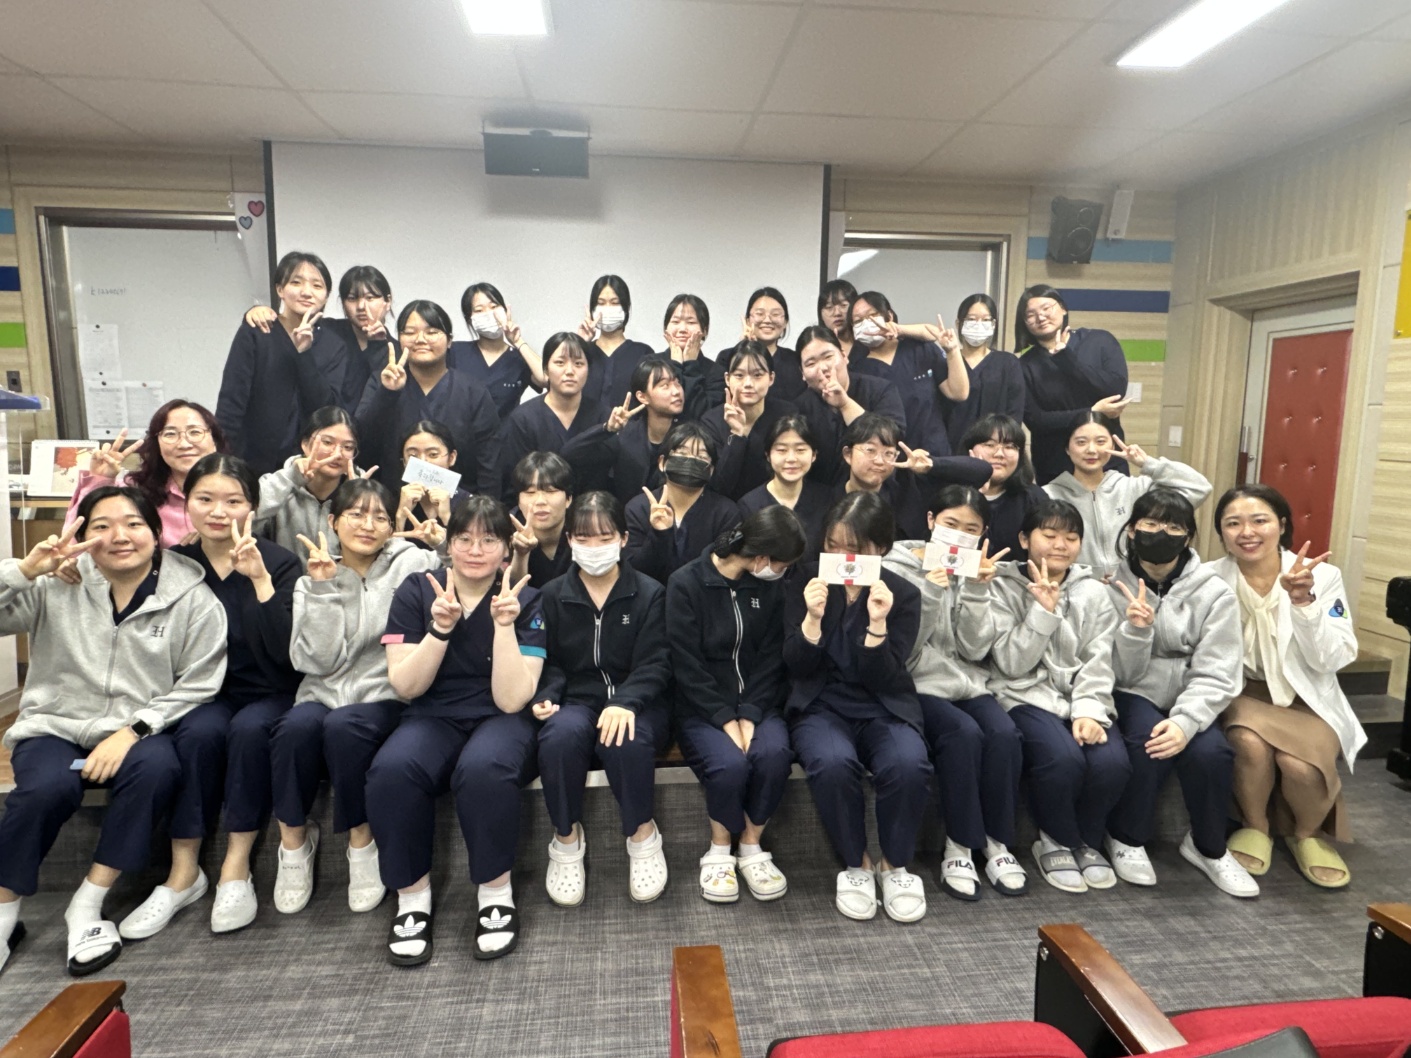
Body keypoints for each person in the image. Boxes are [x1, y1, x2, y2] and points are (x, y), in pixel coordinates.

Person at [0, 487, 226, 976]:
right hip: (55, 723)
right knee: (45, 789)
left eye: (133, 524)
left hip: (139, 727)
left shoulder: (192, 598)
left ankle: (87, 904)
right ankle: (3, 913)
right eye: (101, 526)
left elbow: (200, 683)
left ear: (155, 532)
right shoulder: (56, 582)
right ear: (83, 535)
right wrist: (24, 571)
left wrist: (133, 730)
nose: (119, 536)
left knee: (158, 767)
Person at [116, 456, 302, 940]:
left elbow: (287, 654)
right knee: (198, 734)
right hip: (200, 692)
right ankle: (183, 872)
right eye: (205, 499)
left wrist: (259, 580)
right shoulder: (171, 564)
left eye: (233, 501)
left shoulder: (280, 561)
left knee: (248, 731)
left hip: (269, 689)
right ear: (187, 503)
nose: (219, 511)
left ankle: (236, 866)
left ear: (253, 507)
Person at [251, 479, 446, 934]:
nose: (368, 525)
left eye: (380, 516)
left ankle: (362, 838)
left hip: (385, 695)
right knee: (293, 728)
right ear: (333, 521)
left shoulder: (412, 563)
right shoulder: (311, 577)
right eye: (356, 514)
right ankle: (294, 841)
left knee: (344, 727)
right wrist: (323, 591)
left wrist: (441, 539)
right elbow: (313, 661)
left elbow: (465, 572)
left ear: (391, 526)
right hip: (322, 691)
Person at [367, 496, 544, 965]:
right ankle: (412, 899)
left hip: (500, 717)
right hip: (433, 714)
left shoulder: (525, 597)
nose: (475, 550)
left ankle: (495, 894)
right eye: (464, 538)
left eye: (489, 540)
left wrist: (503, 626)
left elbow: (511, 700)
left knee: (484, 769)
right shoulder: (416, 591)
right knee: (392, 770)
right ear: (447, 544)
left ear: (507, 549)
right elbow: (406, 685)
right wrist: (440, 630)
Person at [784, 492, 932, 923]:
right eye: (832, 545)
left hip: (882, 704)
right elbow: (795, 665)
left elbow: (885, 676)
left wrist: (878, 624)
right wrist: (812, 620)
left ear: (880, 547)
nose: (841, 556)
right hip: (821, 704)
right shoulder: (805, 581)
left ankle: (895, 865)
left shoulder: (902, 593)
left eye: (855, 548)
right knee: (832, 763)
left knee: (908, 763)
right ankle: (857, 863)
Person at [1103, 489, 1258, 897]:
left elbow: (1219, 669)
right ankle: (1126, 836)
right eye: (1151, 523)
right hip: (1132, 687)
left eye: (1174, 527)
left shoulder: (1214, 591)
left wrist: (1186, 721)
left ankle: (1208, 847)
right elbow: (1117, 671)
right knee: (1148, 742)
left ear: (1188, 537)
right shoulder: (1108, 583)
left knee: (1213, 753)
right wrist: (1136, 631)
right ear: (1132, 529)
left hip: (1192, 692)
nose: (1161, 533)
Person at [1211, 484, 1365, 890]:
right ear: (1221, 532)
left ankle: (1308, 834)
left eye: (1259, 520)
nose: (1247, 532)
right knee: (1247, 742)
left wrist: (1304, 603)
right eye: (1233, 523)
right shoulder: (1209, 578)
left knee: (1299, 766)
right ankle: (1255, 826)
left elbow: (1333, 659)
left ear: (1281, 524)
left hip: (1306, 696)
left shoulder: (1322, 576)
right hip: (1244, 692)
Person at [881, 485, 1028, 900]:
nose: (959, 535)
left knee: (1004, 733)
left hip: (970, 681)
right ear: (930, 521)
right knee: (962, 733)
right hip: (917, 683)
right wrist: (930, 592)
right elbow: (903, 651)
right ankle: (959, 845)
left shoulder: (979, 570)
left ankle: (997, 842)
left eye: (971, 529)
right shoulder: (896, 568)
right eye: (950, 524)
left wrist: (977, 589)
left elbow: (975, 649)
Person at [532, 491, 672, 907]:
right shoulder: (551, 594)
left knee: (625, 738)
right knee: (558, 737)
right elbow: (548, 661)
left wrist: (625, 701)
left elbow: (657, 662)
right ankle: (566, 838)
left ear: (624, 539)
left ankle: (642, 833)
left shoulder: (649, 592)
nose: (594, 547)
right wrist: (547, 694)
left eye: (605, 537)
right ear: (569, 541)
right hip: (577, 700)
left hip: (638, 701)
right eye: (583, 538)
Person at [981, 500, 1129, 894]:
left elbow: (1099, 660)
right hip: (1022, 695)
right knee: (1062, 759)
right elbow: (1011, 664)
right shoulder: (1001, 585)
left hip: (1080, 697)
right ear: (1024, 539)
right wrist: (1042, 612)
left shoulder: (1093, 592)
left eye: (1071, 537)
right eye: (1049, 535)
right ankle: (1056, 839)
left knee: (1113, 763)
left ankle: (1086, 841)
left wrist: (1089, 711)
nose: (1060, 545)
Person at [668, 508, 807, 904]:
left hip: (759, 703)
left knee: (774, 755)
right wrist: (726, 719)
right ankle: (719, 847)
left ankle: (750, 843)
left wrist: (749, 713)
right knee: (729, 765)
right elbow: (685, 663)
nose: (784, 573)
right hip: (701, 707)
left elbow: (771, 657)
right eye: (783, 565)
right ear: (761, 557)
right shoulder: (686, 583)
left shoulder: (769, 589)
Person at [355, 299, 502, 497]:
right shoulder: (382, 381)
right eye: (409, 332)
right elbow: (362, 442)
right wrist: (387, 393)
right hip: (393, 503)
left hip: (459, 507)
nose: (420, 339)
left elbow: (489, 460)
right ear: (399, 339)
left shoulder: (472, 391)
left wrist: (484, 510)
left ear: (449, 341)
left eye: (431, 332)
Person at [217, 251, 346, 475]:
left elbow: (326, 407)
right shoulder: (258, 331)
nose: (306, 292)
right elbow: (232, 400)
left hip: (311, 467)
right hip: (252, 462)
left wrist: (304, 354)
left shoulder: (334, 343)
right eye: (296, 282)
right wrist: (224, 459)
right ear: (280, 289)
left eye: (317, 286)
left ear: (326, 297)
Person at [1043, 413, 1211, 579]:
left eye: (1100, 442)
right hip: (1076, 588)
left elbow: (1199, 488)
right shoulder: (1048, 495)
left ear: (1113, 445)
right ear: (1067, 448)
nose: (1091, 450)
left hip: (1131, 585)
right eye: (1081, 442)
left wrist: (1148, 463)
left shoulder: (1137, 488)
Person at [66, 400, 223, 547]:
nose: (183, 444)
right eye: (170, 434)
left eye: (195, 432)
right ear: (157, 444)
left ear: (214, 440)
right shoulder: (134, 490)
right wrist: (100, 480)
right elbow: (75, 545)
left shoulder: (234, 487)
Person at [1014, 285, 1130, 484]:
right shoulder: (1024, 365)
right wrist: (1091, 411)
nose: (1040, 317)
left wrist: (1067, 359)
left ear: (1063, 308)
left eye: (1046, 308)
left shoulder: (1099, 341)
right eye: (1030, 314)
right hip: (1054, 464)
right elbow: (1036, 421)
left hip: (1106, 459)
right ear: (1025, 322)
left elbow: (1115, 390)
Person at [245, 264, 396, 413]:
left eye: (370, 298)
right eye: (352, 298)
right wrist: (258, 311)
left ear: (387, 302)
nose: (361, 306)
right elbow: (289, 325)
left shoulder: (397, 350)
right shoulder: (326, 331)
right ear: (343, 303)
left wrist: (378, 346)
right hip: (322, 423)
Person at [848, 289, 968, 456]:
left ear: (889, 315)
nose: (867, 323)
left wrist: (953, 350)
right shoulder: (858, 370)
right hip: (890, 460)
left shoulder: (920, 349)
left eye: (872, 315)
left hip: (934, 454)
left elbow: (958, 393)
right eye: (858, 321)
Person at [836, 412, 990, 541]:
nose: (879, 461)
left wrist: (931, 465)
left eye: (888, 453)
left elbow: (982, 471)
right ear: (848, 454)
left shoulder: (909, 488)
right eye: (870, 450)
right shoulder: (829, 498)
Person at [624, 422, 742, 584]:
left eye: (701, 457)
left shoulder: (726, 512)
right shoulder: (638, 508)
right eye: (682, 453)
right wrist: (659, 534)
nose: (691, 460)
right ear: (662, 463)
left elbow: (726, 569)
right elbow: (635, 570)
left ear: (711, 469)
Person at [561, 355, 684, 505]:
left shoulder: (688, 437)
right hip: (627, 515)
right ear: (642, 397)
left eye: (677, 383)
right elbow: (569, 454)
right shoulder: (626, 436)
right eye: (665, 386)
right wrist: (607, 429)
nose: (676, 391)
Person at [794, 325, 906, 484]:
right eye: (811, 364)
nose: (823, 368)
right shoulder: (799, 408)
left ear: (844, 356)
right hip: (822, 493)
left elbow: (893, 437)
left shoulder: (881, 390)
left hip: (880, 488)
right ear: (802, 374)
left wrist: (845, 404)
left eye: (828, 357)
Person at [255, 406, 366, 565]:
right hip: (283, 578)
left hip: (340, 579)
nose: (337, 454)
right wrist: (291, 478)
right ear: (305, 444)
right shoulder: (277, 483)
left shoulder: (363, 491)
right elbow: (247, 520)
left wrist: (357, 499)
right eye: (327, 442)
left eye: (347, 447)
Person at [498, 332, 601, 502]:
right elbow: (513, 483)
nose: (570, 371)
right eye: (560, 363)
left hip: (592, 513)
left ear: (588, 369)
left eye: (578, 363)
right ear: (545, 369)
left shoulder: (604, 417)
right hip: (537, 510)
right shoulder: (523, 419)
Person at [702, 341, 797, 502]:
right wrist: (737, 435)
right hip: (729, 508)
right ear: (727, 379)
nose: (748, 384)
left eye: (757, 375)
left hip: (777, 504)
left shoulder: (788, 414)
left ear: (771, 378)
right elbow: (719, 487)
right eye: (739, 375)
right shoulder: (711, 421)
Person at [737, 415, 834, 557]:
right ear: (768, 455)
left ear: (814, 455)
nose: (791, 459)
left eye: (800, 450)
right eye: (782, 450)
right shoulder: (749, 505)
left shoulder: (827, 499)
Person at [959, 413, 1047, 561]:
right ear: (970, 449)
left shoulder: (1034, 498)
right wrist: (976, 495)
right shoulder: (950, 492)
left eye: (1009, 446)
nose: (999, 454)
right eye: (989, 445)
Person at [450, 282, 544, 419]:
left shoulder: (519, 358)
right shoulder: (455, 352)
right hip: (460, 431)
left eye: (494, 307)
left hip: (506, 432)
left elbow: (545, 379)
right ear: (469, 319)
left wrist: (518, 341)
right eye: (479, 310)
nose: (489, 314)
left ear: (505, 311)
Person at [945, 293, 1025, 451]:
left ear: (993, 324)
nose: (978, 325)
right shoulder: (946, 362)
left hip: (995, 452)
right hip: (950, 450)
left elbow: (1014, 415)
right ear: (958, 323)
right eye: (971, 319)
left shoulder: (1008, 363)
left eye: (986, 320)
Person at [577, 274, 654, 410]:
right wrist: (579, 343)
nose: (607, 308)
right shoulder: (582, 352)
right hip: (585, 424)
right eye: (601, 303)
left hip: (630, 423)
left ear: (625, 308)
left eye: (615, 303)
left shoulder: (643, 353)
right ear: (592, 309)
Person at [506, 451, 575, 588]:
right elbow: (510, 591)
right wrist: (521, 554)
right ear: (518, 500)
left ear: (568, 499)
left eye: (550, 491)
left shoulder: (584, 529)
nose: (540, 501)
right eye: (530, 492)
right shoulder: (503, 530)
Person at [723, 287, 803, 402]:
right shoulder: (727, 357)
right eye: (759, 314)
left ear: (785, 322)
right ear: (748, 320)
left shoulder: (795, 360)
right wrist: (745, 348)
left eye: (775, 314)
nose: (767, 320)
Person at [395, 419, 470, 541]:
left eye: (433, 454)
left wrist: (447, 518)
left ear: (451, 458)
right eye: (413, 456)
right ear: (404, 462)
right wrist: (401, 516)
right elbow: (385, 550)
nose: (423, 462)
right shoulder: (392, 501)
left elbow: (472, 549)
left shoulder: (469, 504)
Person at [661, 293, 726, 418]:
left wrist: (690, 365)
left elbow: (703, 413)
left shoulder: (716, 372)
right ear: (666, 328)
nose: (682, 329)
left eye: (691, 322)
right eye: (675, 321)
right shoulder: (651, 364)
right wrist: (676, 364)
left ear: (704, 330)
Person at [818, 279, 860, 357]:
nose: (837, 313)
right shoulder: (816, 349)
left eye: (843, 305)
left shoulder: (868, 344)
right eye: (829, 307)